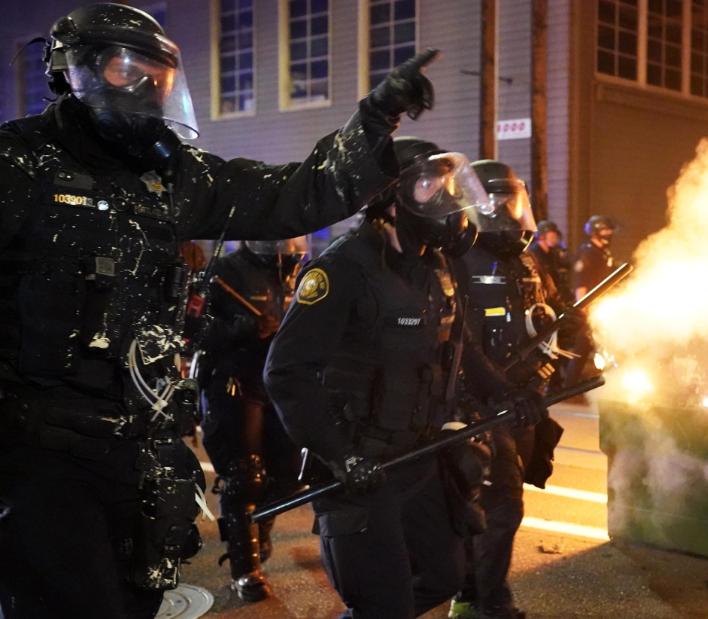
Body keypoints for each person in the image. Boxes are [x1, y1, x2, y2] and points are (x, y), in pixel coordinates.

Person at [0, 4, 438, 617]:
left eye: (162, 76)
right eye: (129, 68)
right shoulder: (18, 164)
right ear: (74, 70)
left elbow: (297, 194)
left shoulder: (170, 176)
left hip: (138, 446)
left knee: (136, 599)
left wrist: (376, 116)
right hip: (38, 452)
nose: (148, 88)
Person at [264, 138, 548, 618]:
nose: (445, 197)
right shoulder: (342, 268)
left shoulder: (435, 265)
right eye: (426, 183)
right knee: (384, 603)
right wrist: (341, 455)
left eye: (446, 182)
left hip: (420, 459)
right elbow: (286, 372)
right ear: (386, 198)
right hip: (361, 470)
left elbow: (461, 346)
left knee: (445, 577)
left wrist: (506, 393)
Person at [449, 161, 568, 619]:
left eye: (510, 200)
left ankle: (472, 591)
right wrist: (495, 391)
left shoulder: (527, 260)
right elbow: (458, 341)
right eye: (494, 201)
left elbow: (551, 312)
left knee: (493, 507)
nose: (505, 211)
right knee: (500, 504)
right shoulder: (458, 260)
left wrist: (569, 330)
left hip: (523, 402)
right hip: (477, 404)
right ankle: (485, 598)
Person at [197, 238, 308, 602]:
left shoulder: (302, 273)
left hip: (284, 384)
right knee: (245, 474)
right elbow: (194, 329)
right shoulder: (225, 272)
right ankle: (247, 568)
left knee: (293, 472)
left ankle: (259, 525)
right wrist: (241, 328)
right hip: (237, 382)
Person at [564, 215, 617, 387]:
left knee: (594, 344)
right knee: (583, 344)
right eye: (604, 230)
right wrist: (584, 308)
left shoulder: (602, 251)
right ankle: (569, 385)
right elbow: (581, 283)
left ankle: (572, 383)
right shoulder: (588, 252)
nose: (608, 233)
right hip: (592, 306)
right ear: (594, 232)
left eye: (609, 230)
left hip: (603, 305)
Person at [528, 220, 570, 306]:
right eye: (552, 235)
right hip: (542, 298)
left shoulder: (552, 253)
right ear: (542, 236)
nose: (555, 238)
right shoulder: (534, 254)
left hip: (554, 297)